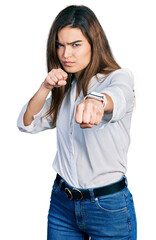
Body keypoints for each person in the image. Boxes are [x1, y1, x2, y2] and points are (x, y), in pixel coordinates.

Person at [17, 5, 137, 240]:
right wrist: (45, 88)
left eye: (75, 44)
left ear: (95, 43)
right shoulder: (65, 89)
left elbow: (119, 96)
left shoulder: (117, 77)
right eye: (60, 45)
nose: (65, 54)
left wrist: (96, 102)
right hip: (63, 205)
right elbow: (26, 123)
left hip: (108, 207)